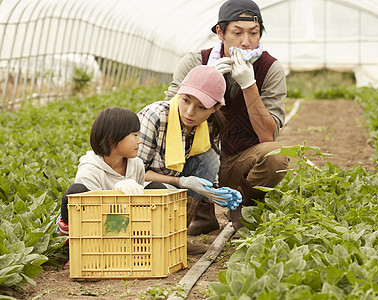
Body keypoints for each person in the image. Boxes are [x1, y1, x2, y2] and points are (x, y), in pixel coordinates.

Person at [164, 0, 290, 232]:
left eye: (254, 33)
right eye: (237, 32)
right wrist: (204, 83)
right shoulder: (194, 62)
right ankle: (201, 215)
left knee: (276, 156)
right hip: (198, 157)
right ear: (220, 33)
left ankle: (242, 205)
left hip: (240, 160)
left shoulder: (270, 68)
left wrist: (249, 85)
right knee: (175, 146)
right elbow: (169, 115)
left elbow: (267, 135)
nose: (246, 41)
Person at [138, 65, 242, 241]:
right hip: (144, 191)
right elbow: (133, 174)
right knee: (164, 190)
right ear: (179, 92)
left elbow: (208, 169)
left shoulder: (209, 126)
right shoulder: (153, 117)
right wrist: (181, 182)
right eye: (186, 100)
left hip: (172, 186)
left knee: (208, 156)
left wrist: (213, 194)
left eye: (201, 107)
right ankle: (154, 238)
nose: (189, 112)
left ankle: (176, 237)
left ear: (215, 108)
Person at [57, 107, 152, 236]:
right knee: (75, 191)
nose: (139, 140)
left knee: (157, 188)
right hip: (94, 231)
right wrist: (116, 193)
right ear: (112, 138)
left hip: (130, 225)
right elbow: (93, 217)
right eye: (135, 135)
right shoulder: (90, 170)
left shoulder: (137, 164)